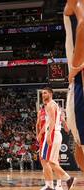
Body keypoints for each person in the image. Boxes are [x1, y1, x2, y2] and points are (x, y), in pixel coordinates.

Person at [39, 87, 75, 190]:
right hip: (56, 134)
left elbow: (53, 121)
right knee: (51, 161)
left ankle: (53, 184)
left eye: (45, 93)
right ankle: (67, 180)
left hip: (53, 134)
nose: (43, 95)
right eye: (42, 93)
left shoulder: (50, 105)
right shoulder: (54, 105)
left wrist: (49, 135)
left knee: (45, 160)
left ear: (50, 94)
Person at [64, 0, 84, 172]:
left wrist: (75, 67)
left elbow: (83, 24)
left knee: (80, 140)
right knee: (78, 140)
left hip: (79, 78)